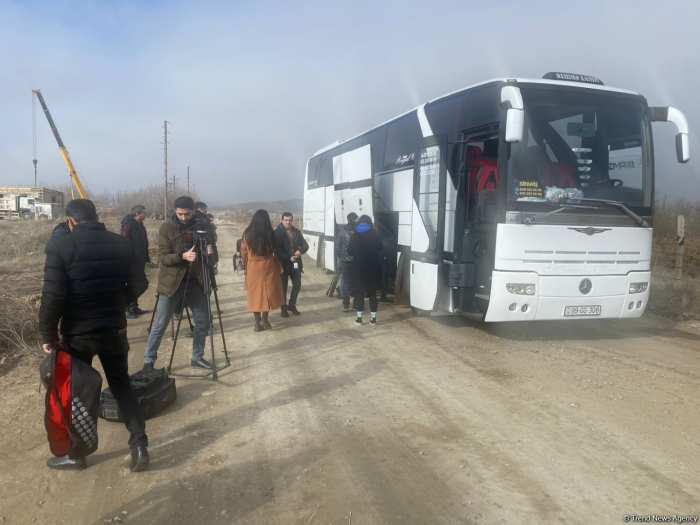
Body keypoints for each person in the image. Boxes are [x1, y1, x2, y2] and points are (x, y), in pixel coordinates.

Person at [39, 199, 149, 472]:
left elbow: (52, 297)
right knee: (122, 387)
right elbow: (141, 282)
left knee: (77, 393)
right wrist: (118, 302)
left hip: (78, 334)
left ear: (70, 220)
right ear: (97, 216)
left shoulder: (60, 246)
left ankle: (76, 455)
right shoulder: (120, 243)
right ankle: (139, 446)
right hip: (114, 328)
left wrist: (47, 334)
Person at [142, 196, 218, 371]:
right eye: (180, 214)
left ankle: (197, 357)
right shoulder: (167, 227)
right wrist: (181, 256)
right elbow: (162, 257)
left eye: (187, 214)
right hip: (172, 282)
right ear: (175, 211)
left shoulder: (202, 226)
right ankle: (149, 362)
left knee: (202, 321)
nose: (184, 218)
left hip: (195, 281)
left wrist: (208, 253)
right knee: (160, 324)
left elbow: (213, 257)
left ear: (193, 211)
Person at [240, 210, 285, 332]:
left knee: (255, 294)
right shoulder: (270, 233)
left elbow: (244, 252)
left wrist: (245, 266)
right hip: (268, 265)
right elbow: (273, 248)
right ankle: (265, 318)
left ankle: (256, 323)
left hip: (253, 266)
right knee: (267, 292)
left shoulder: (247, 233)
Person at [347, 215, 383, 325]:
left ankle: (359, 318)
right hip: (373, 268)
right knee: (372, 293)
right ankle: (373, 319)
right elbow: (380, 248)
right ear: (370, 223)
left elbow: (349, 251)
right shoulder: (375, 234)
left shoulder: (355, 236)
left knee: (359, 293)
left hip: (359, 269)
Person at [274, 212, 309, 317]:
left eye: (290, 220)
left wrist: (300, 251)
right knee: (283, 288)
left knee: (297, 284)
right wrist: (288, 257)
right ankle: (283, 308)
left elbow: (305, 245)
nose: (288, 222)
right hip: (283, 264)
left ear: (292, 221)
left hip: (296, 263)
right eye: (286, 220)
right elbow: (276, 249)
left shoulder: (297, 232)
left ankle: (292, 304)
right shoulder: (277, 233)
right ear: (282, 220)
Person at [121, 205, 150, 318]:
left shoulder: (140, 225)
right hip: (132, 261)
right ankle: (126, 308)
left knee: (136, 284)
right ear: (137, 214)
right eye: (143, 213)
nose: (145, 215)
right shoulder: (128, 224)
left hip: (139, 259)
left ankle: (133, 307)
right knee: (138, 284)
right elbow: (124, 241)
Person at [335, 212, 358, 312]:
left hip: (345, 261)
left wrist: (342, 257)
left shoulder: (342, 231)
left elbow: (337, 247)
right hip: (357, 261)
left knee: (346, 282)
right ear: (356, 220)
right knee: (357, 282)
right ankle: (356, 305)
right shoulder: (359, 231)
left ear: (348, 220)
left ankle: (346, 305)